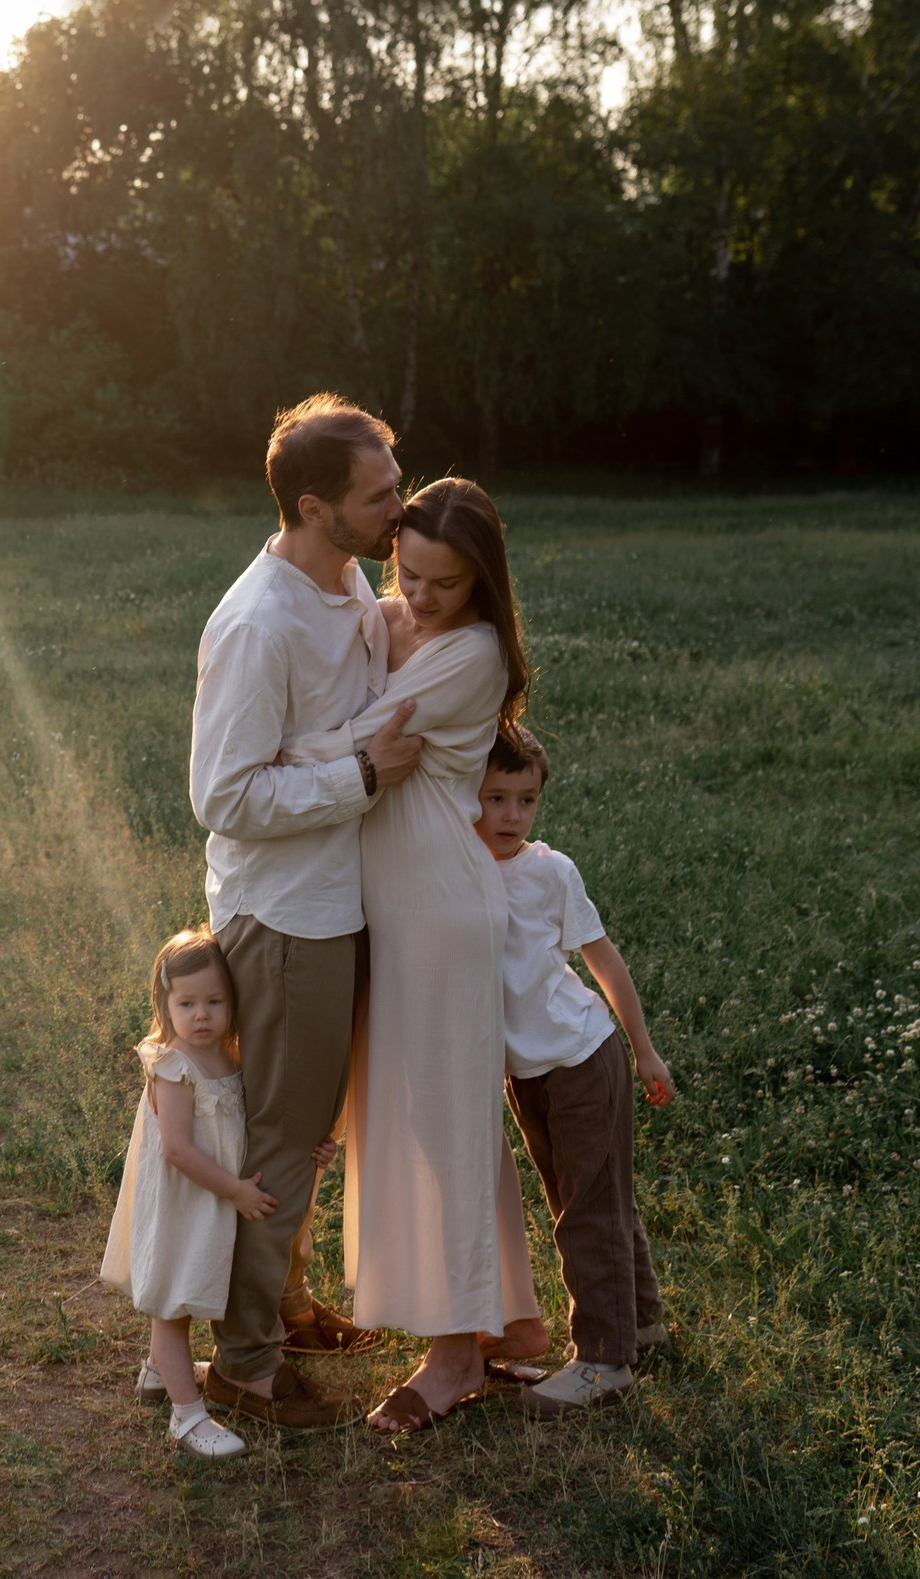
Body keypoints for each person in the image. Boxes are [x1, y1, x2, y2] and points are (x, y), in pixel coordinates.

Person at [273, 476, 544, 1433]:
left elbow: (356, 738)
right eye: (408, 571)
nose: (420, 596)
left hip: (437, 907)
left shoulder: (470, 652)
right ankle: (509, 1315)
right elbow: (358, 623)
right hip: (393, 904)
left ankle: (455, 1353)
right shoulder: (405, 619)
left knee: (444, 1123)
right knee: (430, 1117)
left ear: (481, 583)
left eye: (445, 581)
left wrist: (276, 744)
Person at [189, 394, 426, 1429]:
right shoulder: (258, 622)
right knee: (280, 1143)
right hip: (286, 920)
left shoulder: (349, 579)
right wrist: (360, 776)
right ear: (314, 506)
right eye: (379, 497)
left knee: (310, 1133)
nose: (398, 507)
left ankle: (282, 1308)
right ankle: (241, 1363)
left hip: (342, 900)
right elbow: (223, 797)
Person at [477, 725, 677, 1416]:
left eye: (525, 799)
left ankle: (602, 1358)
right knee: (585, 1198)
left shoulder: (549, 871)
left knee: (587, 1206)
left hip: (582, 1054)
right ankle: (640, 1322)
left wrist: (643, 1047)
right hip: (526, 1071)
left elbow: (603, 959)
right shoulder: (456, 869)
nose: (511, 815)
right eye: (494, 797)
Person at [100, 929, 336, 1456]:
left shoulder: (231, 1056)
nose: (201, 1015)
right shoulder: (174, 1067)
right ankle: (186, 1417)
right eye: (187, 1003)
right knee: (174, 1307)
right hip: (186, 1202)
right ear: (164, 1005)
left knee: (200, 1287)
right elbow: (179, 1151)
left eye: (214, 1001)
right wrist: (235, 1191)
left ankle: (161, 1374)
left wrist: (315, 1148)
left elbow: (256, 1124)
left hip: (212, 1201)